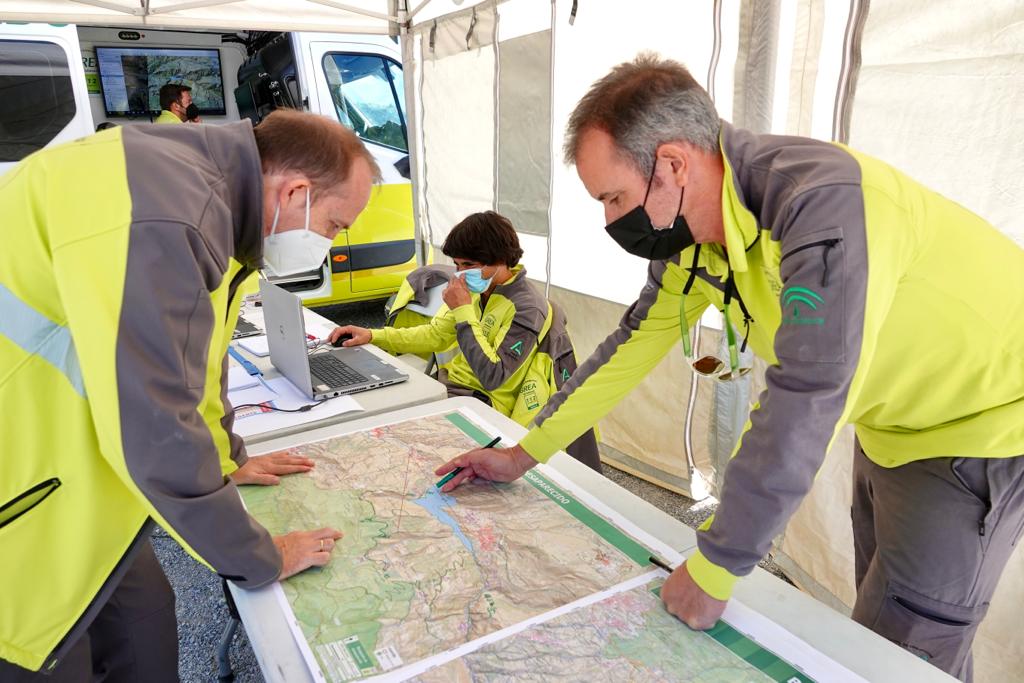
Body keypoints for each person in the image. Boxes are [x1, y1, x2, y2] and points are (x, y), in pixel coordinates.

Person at [434, 54, 1024, 682]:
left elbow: (808, 391)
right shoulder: (692, 239)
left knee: (904, 651)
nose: (610, 221)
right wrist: (523, 454)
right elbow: (627, 350)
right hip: (888, 426)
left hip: (974, 428)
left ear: (673, 165)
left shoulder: (821, 208)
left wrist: (718, 565)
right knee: (874, 626)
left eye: (614, 197)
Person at [0, 109, 378, 679]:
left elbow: (195, 367)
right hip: (26, 499)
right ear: (297, 191)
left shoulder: (207, 198)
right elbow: (157, 428)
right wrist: (261, 557)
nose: (330, 242)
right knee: (54, 655)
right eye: (335, 225)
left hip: (83, 477)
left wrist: (229, 461)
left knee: (145, 626)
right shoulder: (170, 215)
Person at [330, 211, 552, 424]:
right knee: (364, 405)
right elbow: (436, 335)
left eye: (469, 265)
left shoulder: (527, 308)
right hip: (448, 385)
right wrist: (372, 335)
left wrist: (463, 310)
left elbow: (493, 377)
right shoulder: (476, 291)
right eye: (457, 264)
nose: (460, 273)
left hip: (482, 401)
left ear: (501, 259)